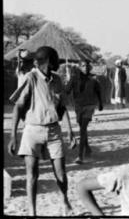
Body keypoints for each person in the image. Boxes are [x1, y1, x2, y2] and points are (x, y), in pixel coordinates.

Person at [7, 46, 76, 216]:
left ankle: (65, 203)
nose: (58, 64)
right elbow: (18, 108)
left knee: (61, 172)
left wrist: (70, 131)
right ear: (48, 61)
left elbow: (62, 108)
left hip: (54, 131)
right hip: (32, 132)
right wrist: (13, 137)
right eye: (56, 60)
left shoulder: (57, 80)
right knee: (32, 175)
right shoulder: (31, 78)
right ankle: (32, 211)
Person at [68, 60, 103, 164]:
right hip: (78, 106)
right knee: (82, 128)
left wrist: (100, 103)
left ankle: (80, 156)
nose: (85, 68)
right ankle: (87, 148)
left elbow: (98, 91)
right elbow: (66, 90)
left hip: (89, 106)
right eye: (83, 66)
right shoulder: (74, 78)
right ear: (79, 67)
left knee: (83, 129)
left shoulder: (93, 78)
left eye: (87, 66)